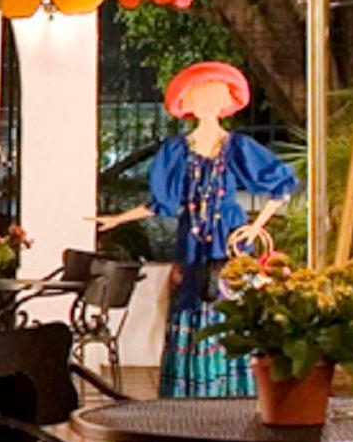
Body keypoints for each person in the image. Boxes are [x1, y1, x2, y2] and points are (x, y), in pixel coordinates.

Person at [95, 60, 300, 396]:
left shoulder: (238, 148)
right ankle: (191, 391)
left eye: (213, 98)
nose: (207, 106)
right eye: (200, 99)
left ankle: (234, 390)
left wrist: (255, 227)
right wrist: (117, 219)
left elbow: (282, 186)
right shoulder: (176, 151)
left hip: (229, 241)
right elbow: (161, 203)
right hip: (192, 243)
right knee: (193, 301)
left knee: (230, 302)